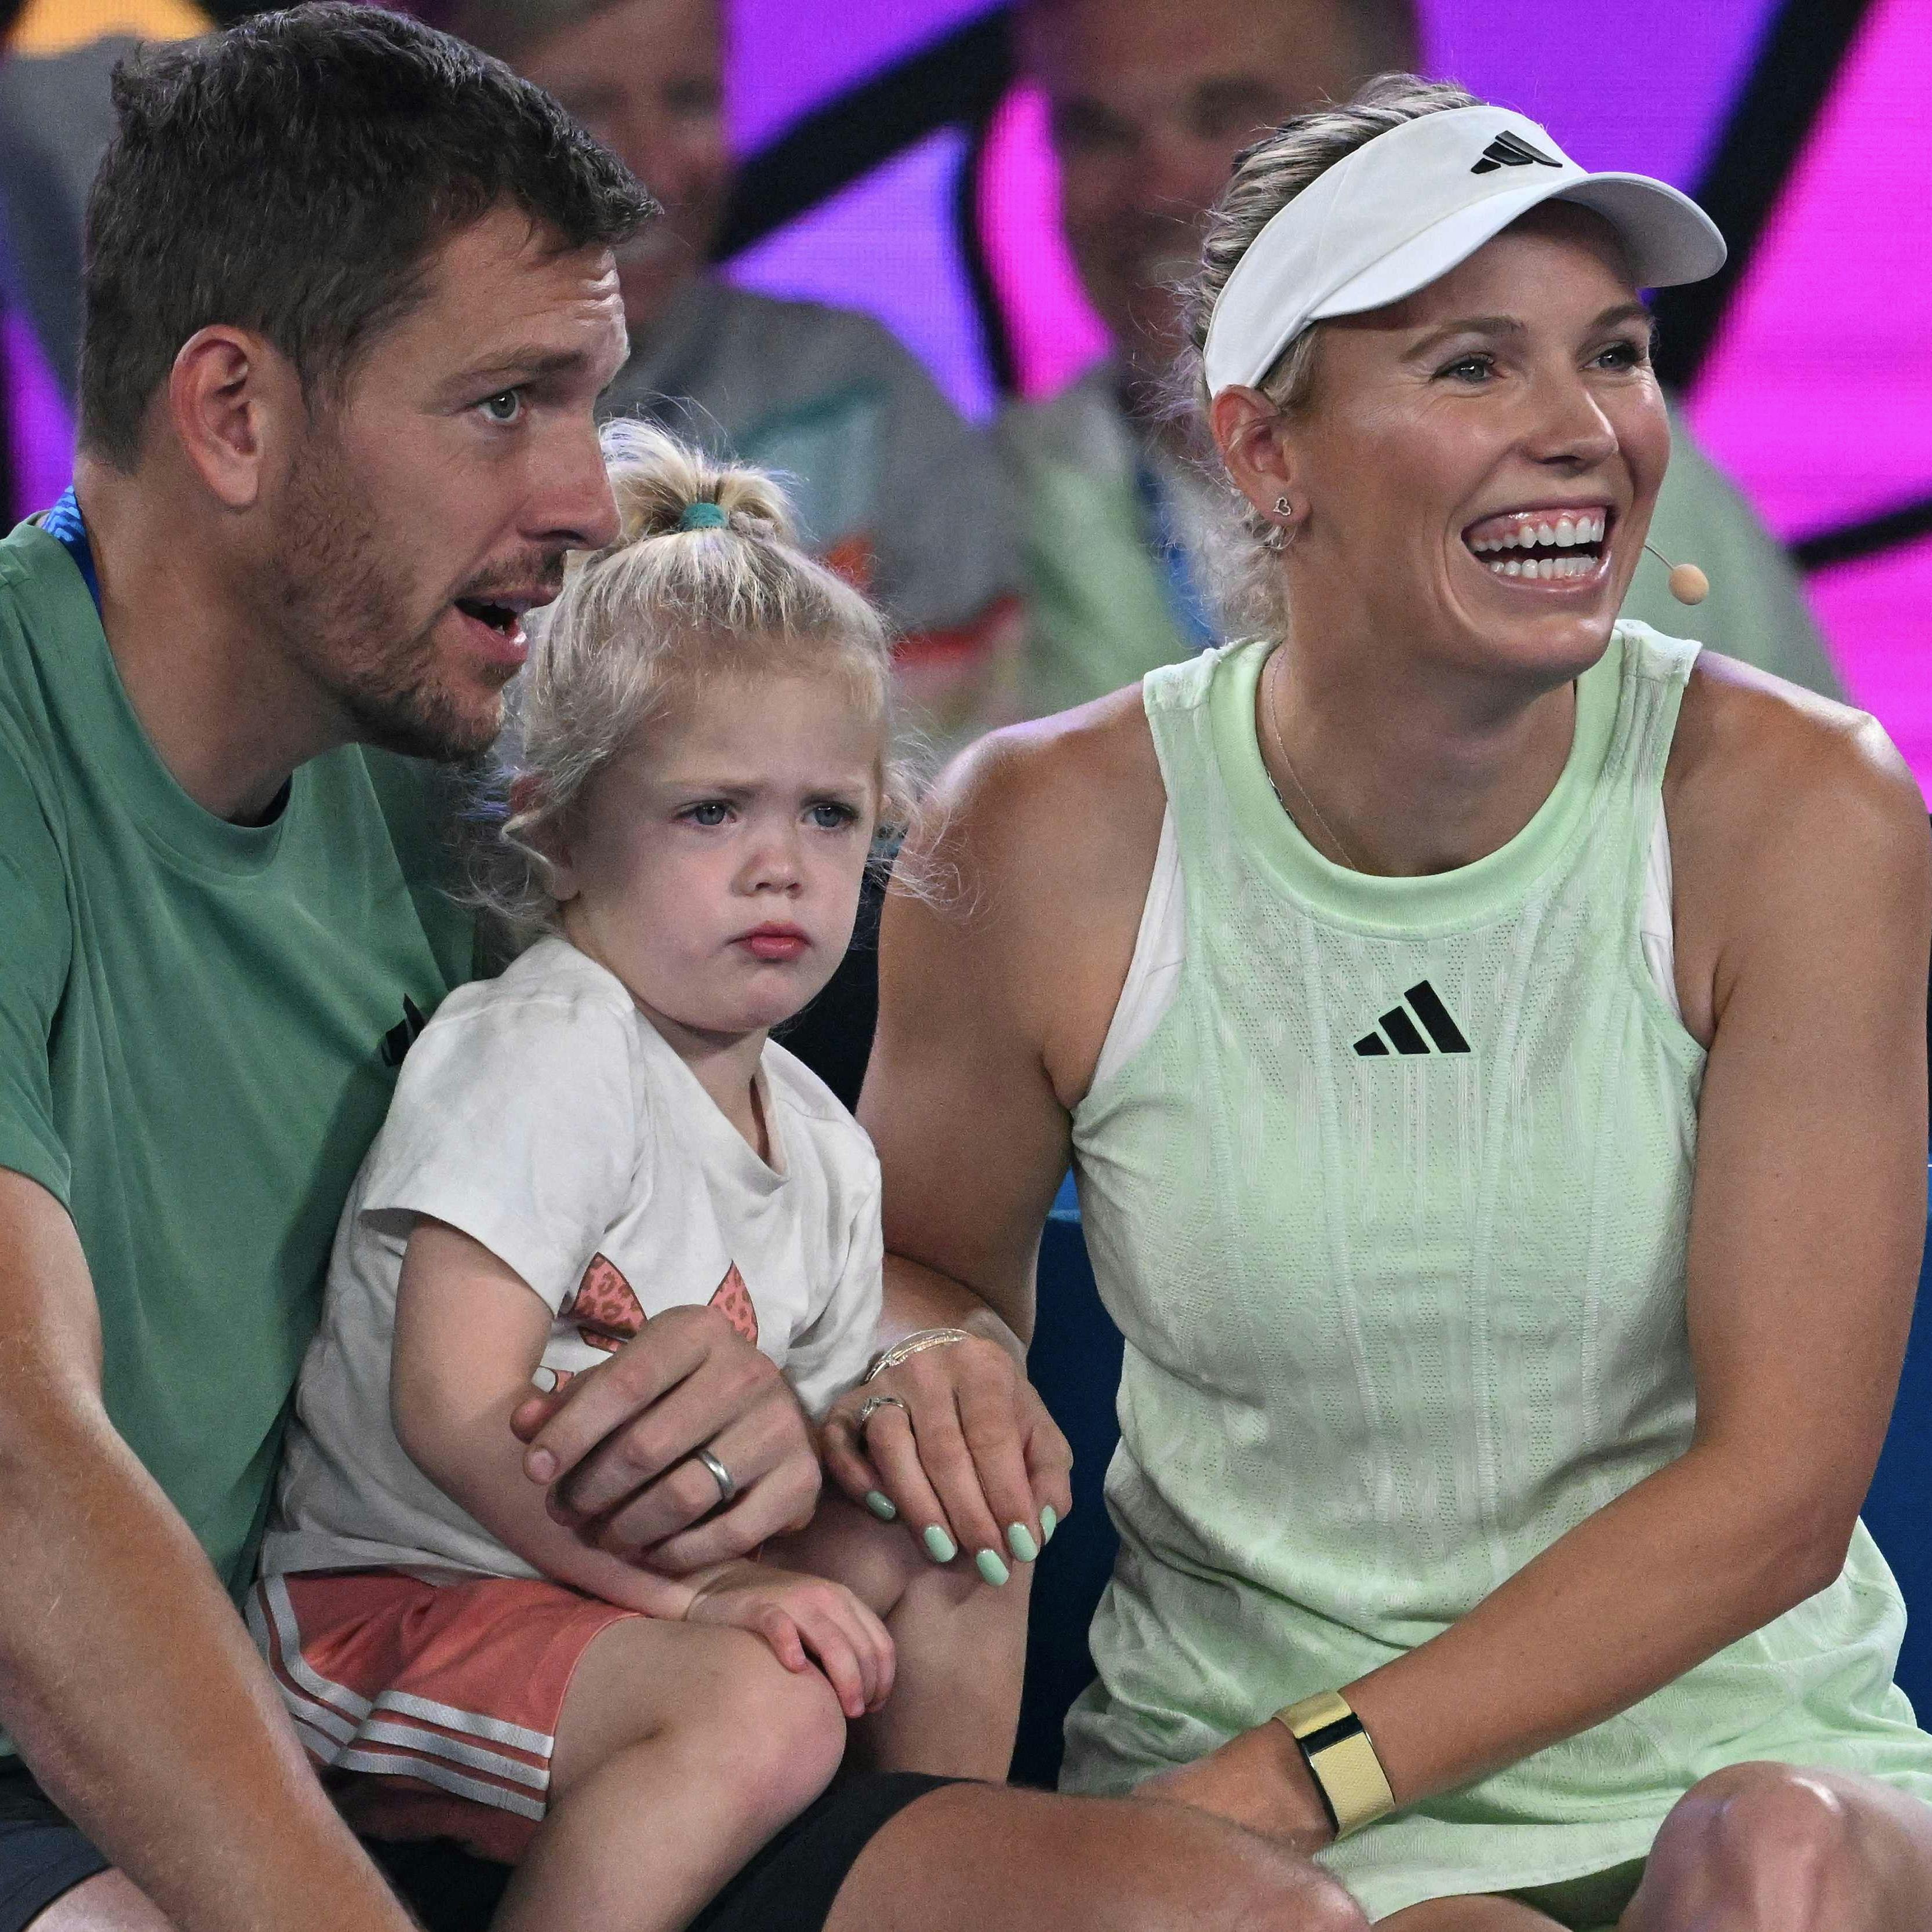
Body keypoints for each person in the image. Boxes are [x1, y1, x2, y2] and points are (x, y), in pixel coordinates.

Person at [0, 8, 1370, 1930]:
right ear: (234, 414)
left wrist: (868, 1382)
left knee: (1236, 1916)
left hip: (528, 1705)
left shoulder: (487, 765)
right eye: (506, 405)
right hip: (90, 1803)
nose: (583, 494)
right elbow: (22, 1480)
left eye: (594, 398)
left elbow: (844, 1205)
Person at [840, 75, 1932, 1929]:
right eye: (1470, 369)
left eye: (1613, 355)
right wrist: (918, 1344)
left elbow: (1776, 1493)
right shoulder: (1030, 834)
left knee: (1780, 1867)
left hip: (1726, 1765)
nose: (1584, 430)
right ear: (1266, 451)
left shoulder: (1805, 809)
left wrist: (1293, 1771)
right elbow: (910, 1261)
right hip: (1256, 1839)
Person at [253, 423, 1031, 1929]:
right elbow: (454, 1408)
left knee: (959, 1537)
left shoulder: (812, 1137)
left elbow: (794, 1434)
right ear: (554, 824)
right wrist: (699, 1600)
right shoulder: (543, 1042)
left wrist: (855, 1453)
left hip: (599, 1601)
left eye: (824, 812)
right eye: (707, 811)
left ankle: (926, 1884)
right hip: (393, 1608)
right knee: (762, 1703)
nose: (777, 866)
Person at [999, 0, 1846, 719]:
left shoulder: (1613, 465)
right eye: (1094, 132)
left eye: (1227, 114)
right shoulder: (982, 507)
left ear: (1393, 118)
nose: (1157, 188)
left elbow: (1820, 864)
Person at [442, 0, 1023, 765]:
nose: (648, 166)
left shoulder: (857, 388)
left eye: (691, 100)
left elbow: (963, 784)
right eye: (579, 113)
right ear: (450, 141)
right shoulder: (386, 424)